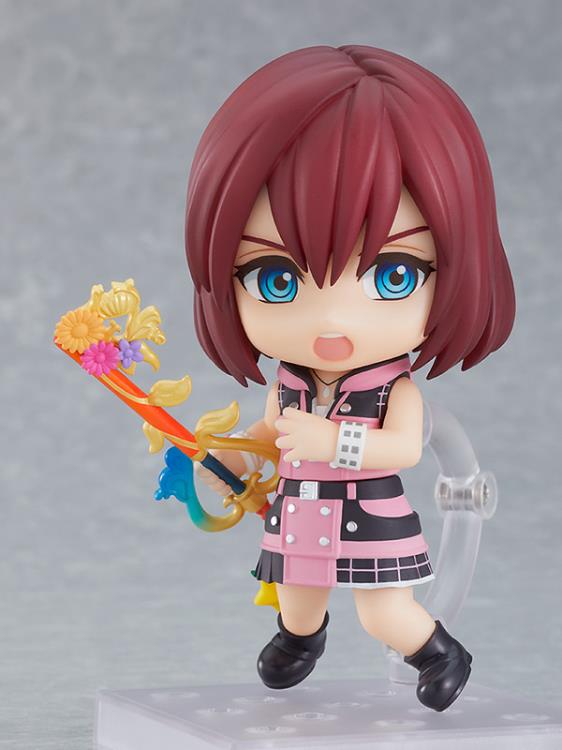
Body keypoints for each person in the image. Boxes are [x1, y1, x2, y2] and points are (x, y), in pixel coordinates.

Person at [184, 45, 515, 712]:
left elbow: (403, 448)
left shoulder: (394, 391)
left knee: (381, 611)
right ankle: (300, 639)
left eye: (393, 275)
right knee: (297, 596)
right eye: (276, 279)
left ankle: (438, 651)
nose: (332, 321)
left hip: (370, 515)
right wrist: (230, 455)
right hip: (300, 511)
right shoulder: (290, 384)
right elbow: (270, 434)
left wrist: (333, 441)